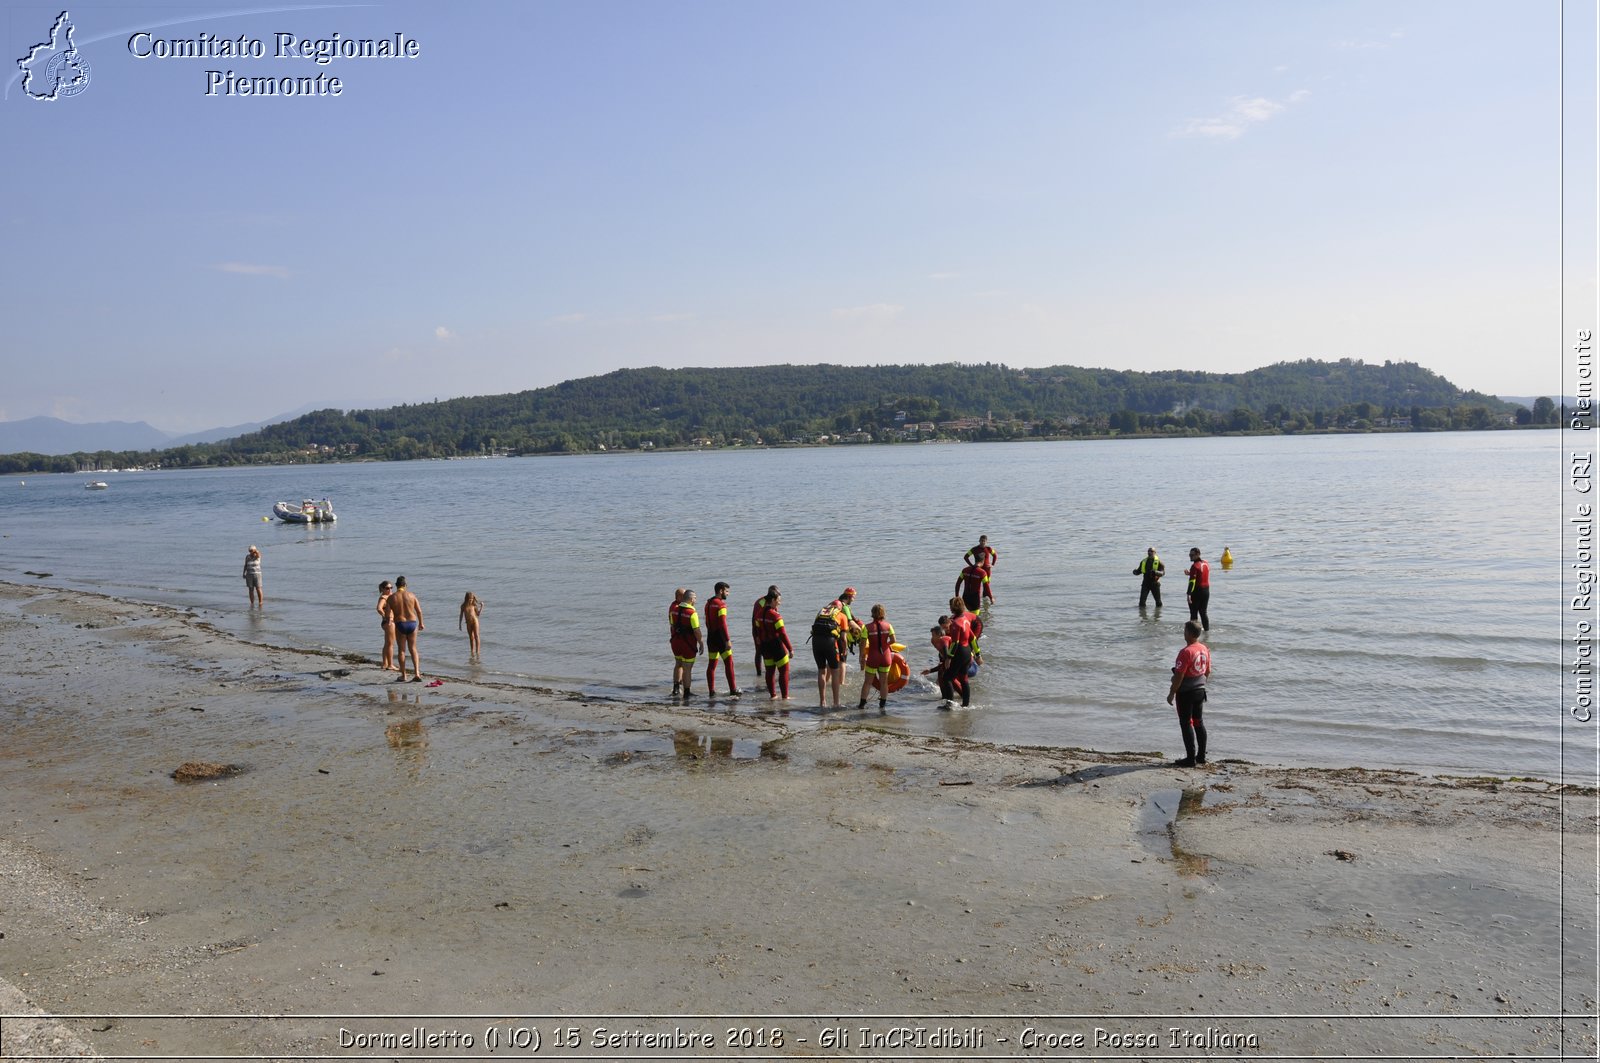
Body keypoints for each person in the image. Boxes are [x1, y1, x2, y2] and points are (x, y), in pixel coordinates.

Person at [1165, 620, 1212, 767]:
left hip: (1186, 693)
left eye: (1185, 630)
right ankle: (1201, 756)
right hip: (1200, 690)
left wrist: (1172, 693)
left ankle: (1190, 758)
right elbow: (1208, 671)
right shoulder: (1204, 648)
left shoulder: (1185, 652)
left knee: (1186, 724)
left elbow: (1179, 676)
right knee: (1198, 722)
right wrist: (1201, 684)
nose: (1183, 633)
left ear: (1189, 634)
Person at [856, 603, 896, 712]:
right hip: (885, 656)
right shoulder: (889, 626)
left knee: (867, 682)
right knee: (884, 682)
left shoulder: (866, 627)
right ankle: (882, 705)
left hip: (873, 657)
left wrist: (861, 657)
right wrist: (885, 645)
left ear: (872, 614)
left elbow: (863, 644)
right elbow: (893, 641)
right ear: (883, 614)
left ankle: (862, 705)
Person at [704, 582, 741, 697]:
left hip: (711, 637)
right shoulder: (721, 605)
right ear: (720, 591)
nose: (728, 594)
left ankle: (711, 691)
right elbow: (723, 623)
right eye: (727, 591)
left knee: (711, 665)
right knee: (729, 663)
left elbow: (707, 621)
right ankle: (733, 690)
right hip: (720, 638)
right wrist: (727, 640)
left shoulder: (708, 603)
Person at [384, 576, 424, 682]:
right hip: (412, 623)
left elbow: (388, 614)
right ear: (405, 585)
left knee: (401, 650)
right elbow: (419, 611)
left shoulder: (391, 598)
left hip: (400, 624)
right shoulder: (412, 595)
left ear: (396, 586)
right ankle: (417, 673)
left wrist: (389, 621)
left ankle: (404, 675)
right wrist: (421, 623)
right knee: (413, 649)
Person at [755, 589, 793, 700]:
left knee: (769, 671)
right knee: (784, 671)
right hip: (777, 646)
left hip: (765, 646)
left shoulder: (758, 614)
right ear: (772, 600)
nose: (779, 603)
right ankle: (785, 697)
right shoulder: (776, 616)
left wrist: (759, 640)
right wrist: (790, 649)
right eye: (778, 600)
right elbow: (783, 634)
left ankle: (773, 696)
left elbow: (758, 630)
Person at [810, 600, 848, 709]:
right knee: (835, 672)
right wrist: (844, 650)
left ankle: (822, 702)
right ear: (839, 608)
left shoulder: (820, 613)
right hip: (830, 643)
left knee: (821, 671)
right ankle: (836, 703)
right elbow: (843, 638)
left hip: (816, 642)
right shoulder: (841, 615)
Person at [670, 588, 704, 698]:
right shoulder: (692, 613)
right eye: (694, 598)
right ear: (690, 599)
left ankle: (675, 689)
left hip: (675, 642)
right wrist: (701, 642)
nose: (695, 600)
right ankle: (687, 693)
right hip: (687, 644)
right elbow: (696, 630)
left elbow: (672, 626)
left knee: (678, 664)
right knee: (687, 668)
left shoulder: (674, 610)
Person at [944, 600, 976, 707]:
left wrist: (948, 658)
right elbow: (973, 637)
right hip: (967, 652)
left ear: (953, 608)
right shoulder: (965, 620)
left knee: (947, 678)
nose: (949, 608)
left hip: (960, 652)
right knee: (964, 679)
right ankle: (966, 705)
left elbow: (955, 643)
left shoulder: (956, 623)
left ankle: (949, 705)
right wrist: (977, 653)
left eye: (950, 606)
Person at [751, 585, 777, 679]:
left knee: (770, 651)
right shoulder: (761, 602)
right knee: (759, 651)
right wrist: (757, 635)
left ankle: (769, 672)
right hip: (758, 629)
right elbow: (755, 619)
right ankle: (759, 673)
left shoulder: (773, 602)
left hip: (768, 630)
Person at [964, 536, 997, 602]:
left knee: (986, 586)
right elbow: (966, 557)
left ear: (986, 542)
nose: (982, 542)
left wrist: (992, 565)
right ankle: (978, 600)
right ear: (979, 541)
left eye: (984, 541)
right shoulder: (974, 549)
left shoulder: (989, 548)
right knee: (976, 586)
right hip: (978, 570)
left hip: (987, 571)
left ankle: (985, 604)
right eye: (981, 541)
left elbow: (995, 555)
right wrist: (971, 565)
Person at [1185, 547, 1211, 630]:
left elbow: (1192, 582)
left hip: (1197, 592)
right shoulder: (1206, 563)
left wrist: (1188, 594)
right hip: (1206, 591)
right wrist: (1191, 573)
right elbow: (1202, 574)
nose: (1190, 556)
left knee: (1193, 613)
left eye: (1192, 555)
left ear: (1198, 554)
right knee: (1203, 612)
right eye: (1189, 555)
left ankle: (1193, 633)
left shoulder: (1194, 566)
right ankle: (1207, 632)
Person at [377, 580, 396, 671]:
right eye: (387, 588)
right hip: (389, 622)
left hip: (387, 622)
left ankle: (385, 663)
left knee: (387, 643)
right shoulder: (384, 597)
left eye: (391, 588)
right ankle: (390, 664)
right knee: (390, 644)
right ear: (383, 589)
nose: (390, 590)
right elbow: (379, 608)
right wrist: (386, 616)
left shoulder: (389, 597)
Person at [458, 592, 483, 659]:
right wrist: (460, 624)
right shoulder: (463, 606)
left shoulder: (474, 605)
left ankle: (477, 652)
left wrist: (482, 607)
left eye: (472, 599)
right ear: (466, 599)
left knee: (476, 636)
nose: (471, 600)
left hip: (475, 621)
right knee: (471, 638)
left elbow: (478, 614)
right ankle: (472, 651)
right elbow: (461, 615)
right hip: (468, 623)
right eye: (469, 599)